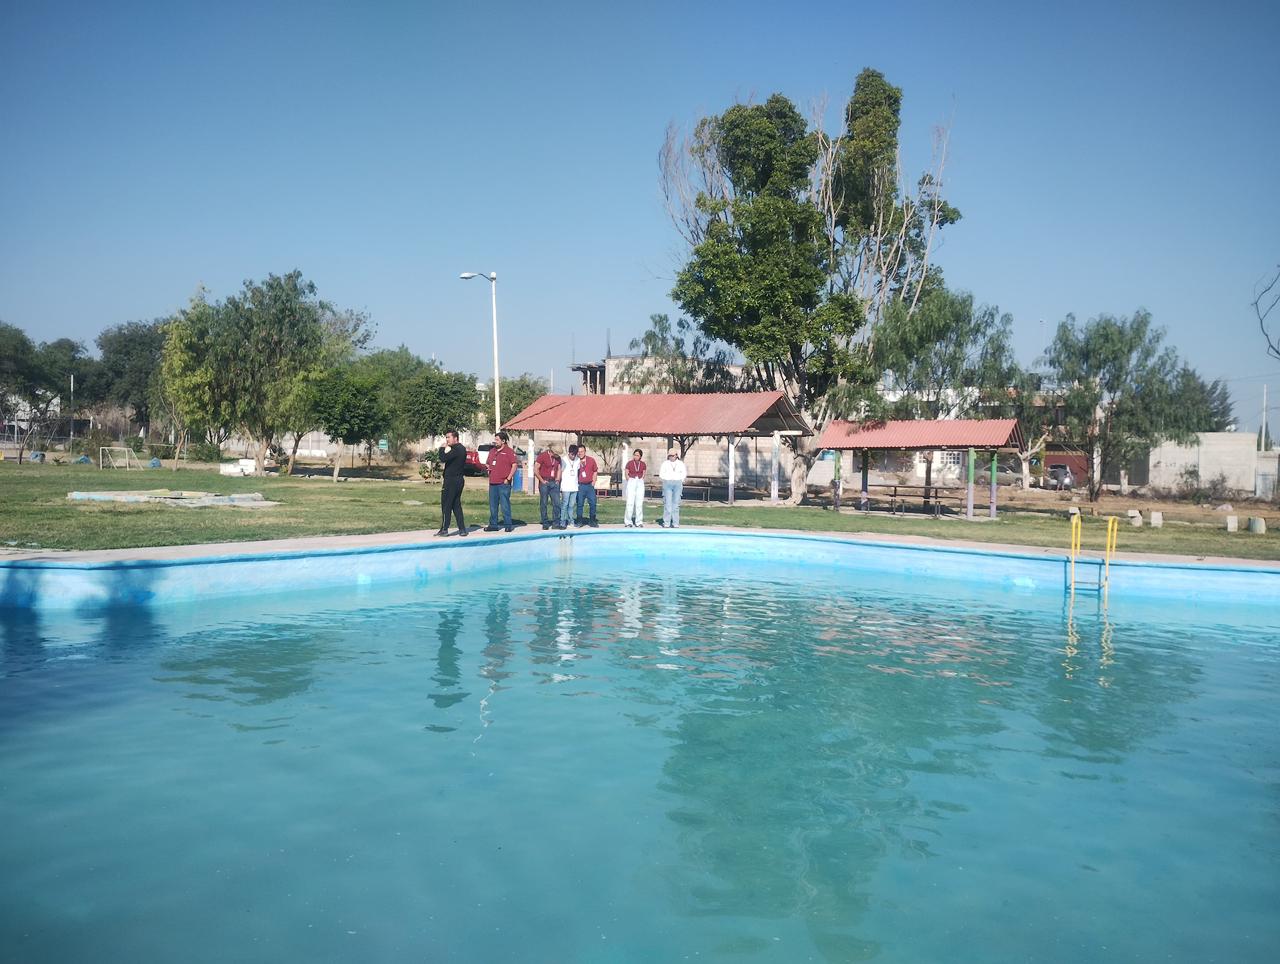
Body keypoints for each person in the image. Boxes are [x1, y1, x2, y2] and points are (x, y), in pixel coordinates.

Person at [436, 430, 468, 537]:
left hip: (452, 481)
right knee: (456, 505)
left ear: (455, 438)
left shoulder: (457, 449)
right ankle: (462, 529)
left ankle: (444, 529)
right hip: (458, 480)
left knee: (446, 504)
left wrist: (442, 448)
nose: (447, 440)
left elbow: (443, 458)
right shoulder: (460, 449)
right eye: (446, 437)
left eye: (448, 437)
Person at [484, 432, 518, 533]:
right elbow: (488, 463)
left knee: (504, 504)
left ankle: (508, 525)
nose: (495, 441)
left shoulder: (509, 451)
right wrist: (488, 467)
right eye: (495, 439)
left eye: (497, 440)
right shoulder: (492, 451)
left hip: (503, 483)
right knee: (493, 505)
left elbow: (514, 465)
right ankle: (493, 525)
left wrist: (508, 478)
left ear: (503, 441)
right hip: (493, 482)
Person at [534, 442, 562, 530]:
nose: (557, 456)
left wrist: (558, 479)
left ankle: (556, 523)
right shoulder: (542, 456)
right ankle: (545, 522)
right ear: (552, 451)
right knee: (544, 503)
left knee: (557, 503)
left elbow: (559, 469)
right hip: (544, 482)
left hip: (554, 482)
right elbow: (536, 469)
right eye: (556, 453)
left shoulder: (558, 458)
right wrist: (542, 480)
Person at [659, 447, 686, 528]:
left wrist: (681, 480)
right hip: (667, 483)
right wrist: (666, 479)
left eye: (672, 455)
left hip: (677, 484)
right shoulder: (665, 463)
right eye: (670, 456)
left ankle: (675, 523)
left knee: (676, 504)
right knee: (667, 503)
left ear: (676, 455)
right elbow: (661, 473)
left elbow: (684, 473)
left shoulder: (680, 464)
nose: (671, 457)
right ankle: (666, 522)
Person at [574, 442, 600, 527]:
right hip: (580, 486)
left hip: (589, 486)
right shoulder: (575, 461)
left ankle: (592, 521)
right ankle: (579, 521)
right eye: (579, 452)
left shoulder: (591, 460)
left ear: (585, 451)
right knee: (580, 504)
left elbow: (595, 470)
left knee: (593, 503)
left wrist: (594, 481)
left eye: (582, 451)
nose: (580, 453)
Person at [558, 444, 581, 530]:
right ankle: (562, 522)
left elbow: (578, 471)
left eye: (575, 455)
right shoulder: (563, 460)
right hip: (566, 487)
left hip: (574, 487)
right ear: (569, 452)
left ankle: (571, 521)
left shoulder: (578, 460)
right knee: (565, 504)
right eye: (572, 454)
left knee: (571, 505)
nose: (573, 456)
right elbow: (560, 472)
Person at [623, 447, 647, 527]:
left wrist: (641, 479)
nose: (635, 456)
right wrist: (629, 479)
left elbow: (644, 473)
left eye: (637, 455)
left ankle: (639, 521)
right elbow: (626, 472)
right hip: (632, 480)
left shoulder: (643, 464)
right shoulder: (629, 463)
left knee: (639, 503)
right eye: (634, 455)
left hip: (639, 481)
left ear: (640, 456)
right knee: (630, 502)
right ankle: (628, 521)